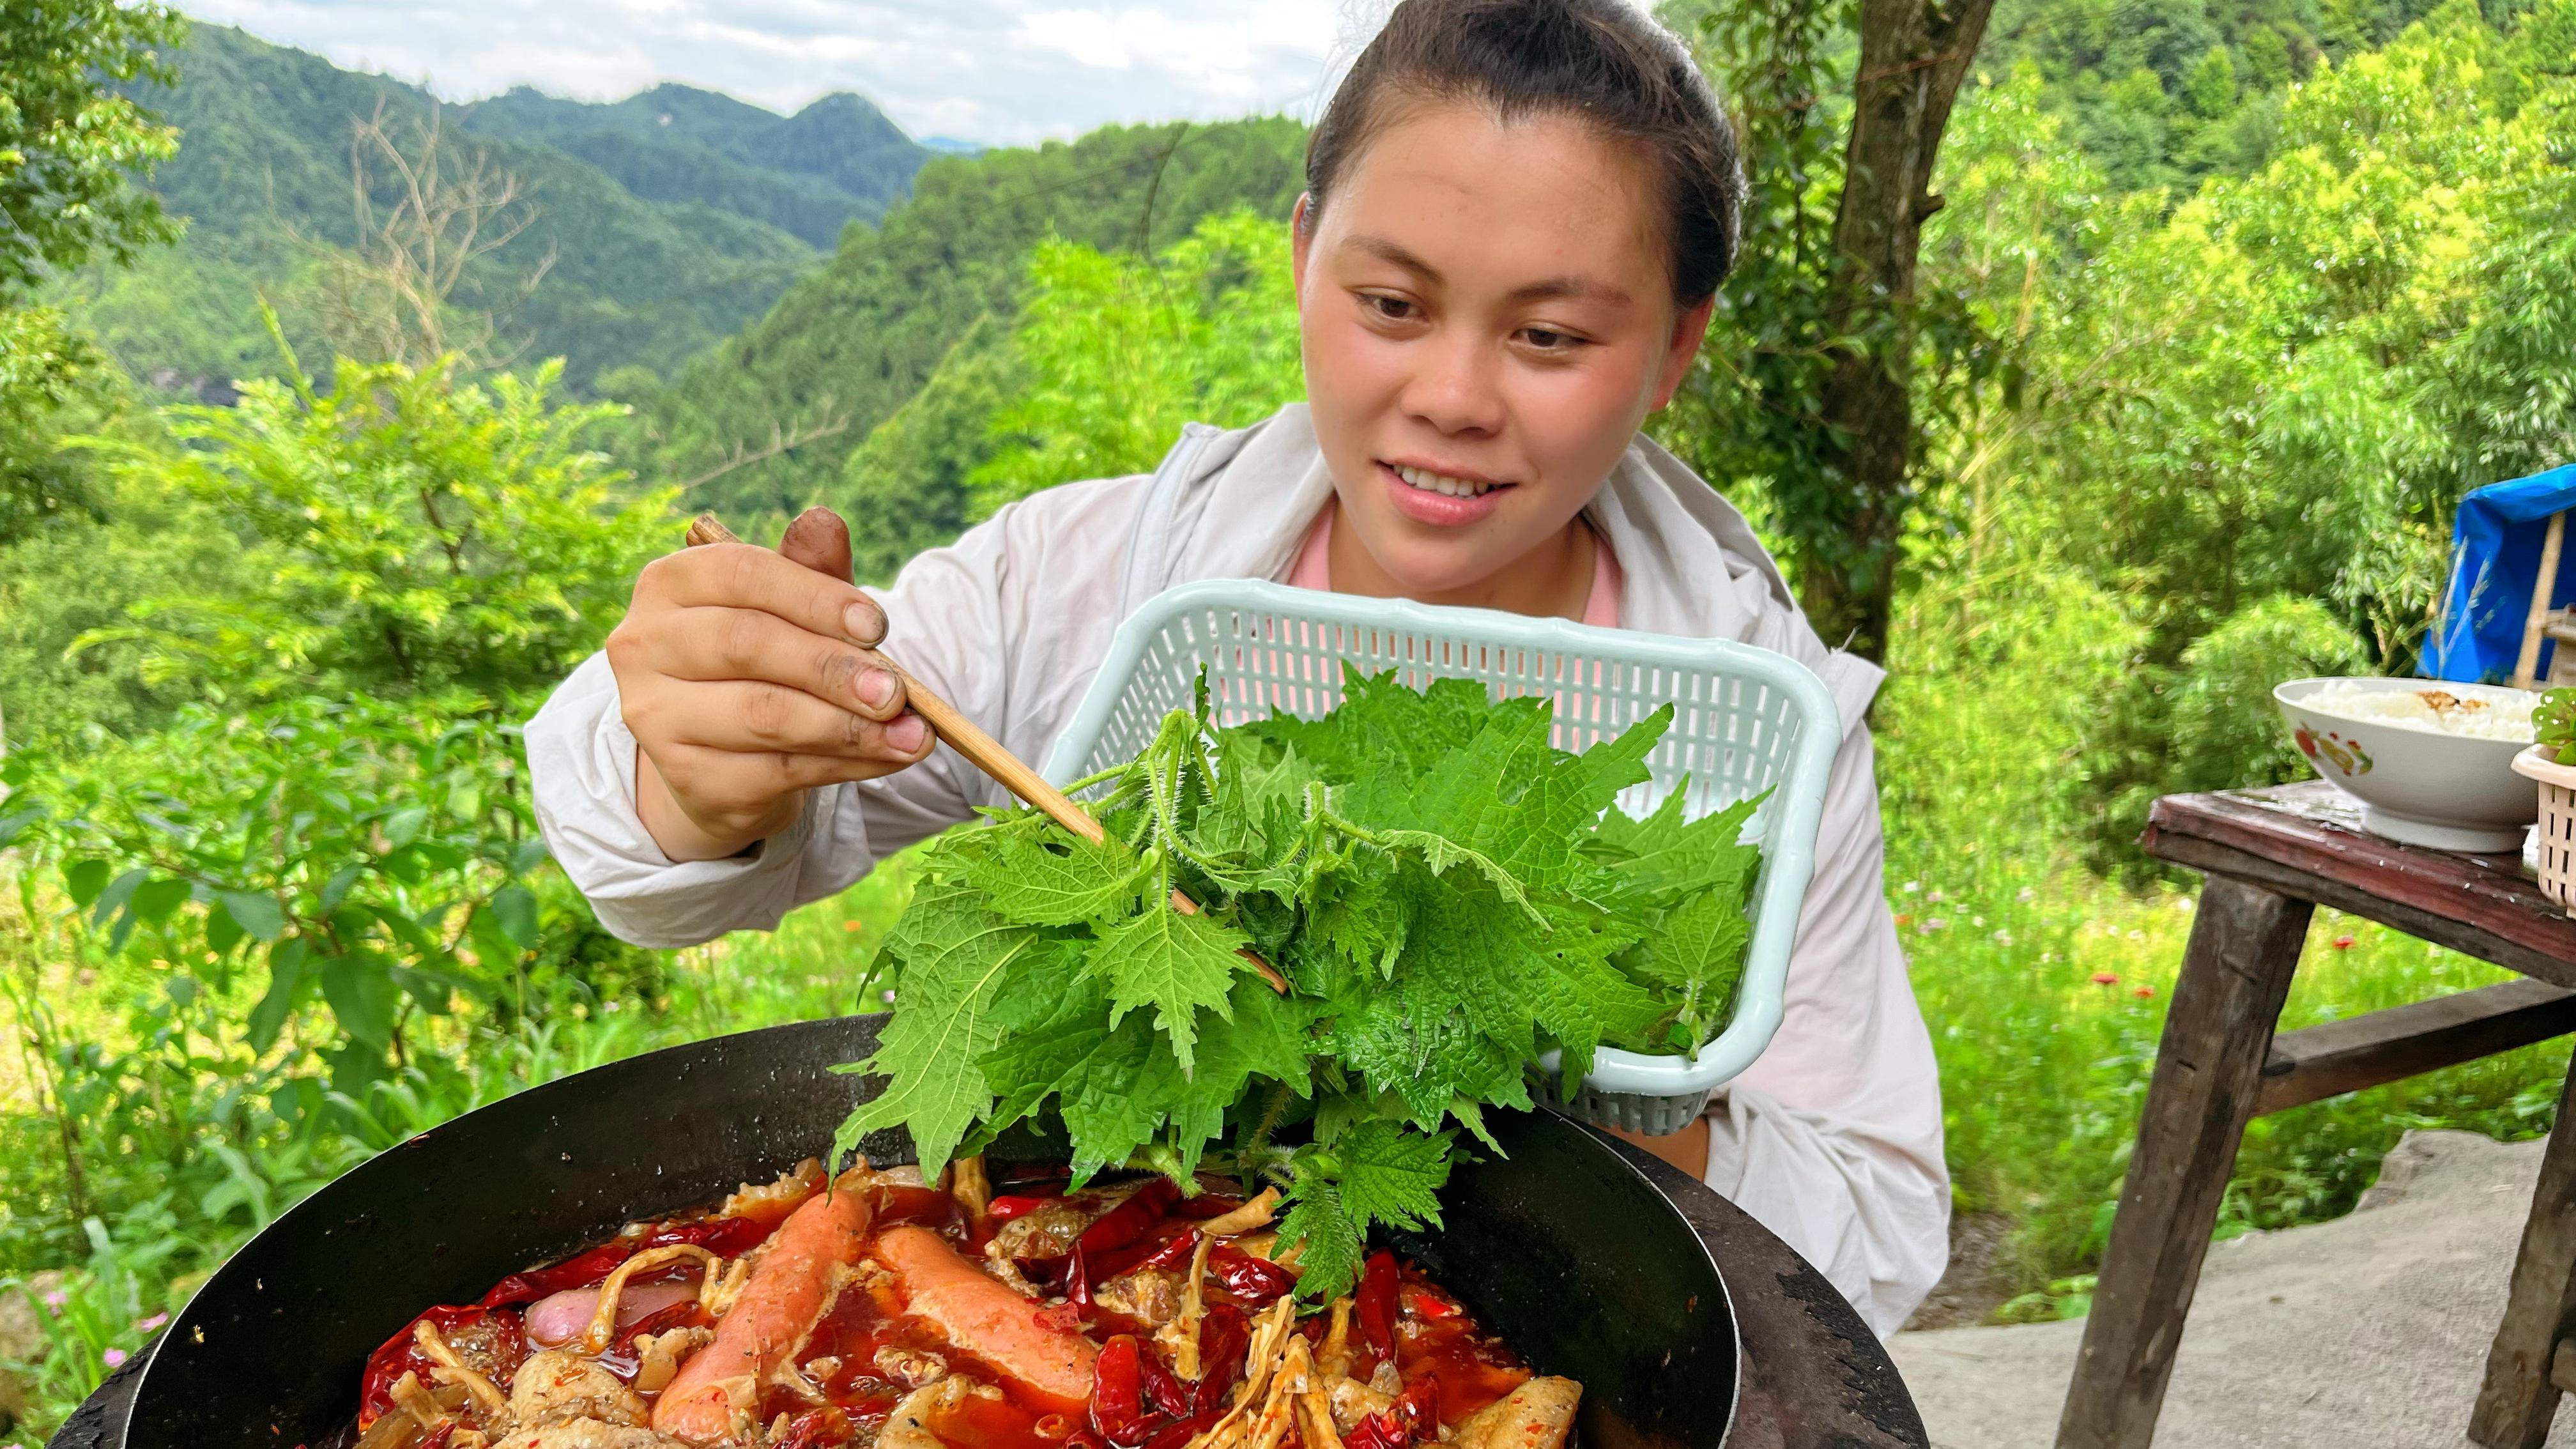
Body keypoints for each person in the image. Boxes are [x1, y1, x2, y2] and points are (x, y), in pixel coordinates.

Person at [526, 0, 1949, 1335]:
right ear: (1302, 258)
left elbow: (1875, 1226)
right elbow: (644, 859)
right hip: (1098, 1318)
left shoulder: (1766, 723)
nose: (1451, 398)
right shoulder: (1096, 582)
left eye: (1551, 336)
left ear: (1677, 349)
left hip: (1521, 1340)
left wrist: (1555, 1069)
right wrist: (713, 768)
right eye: (1391, 304)